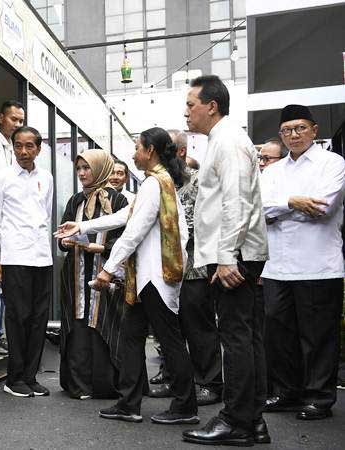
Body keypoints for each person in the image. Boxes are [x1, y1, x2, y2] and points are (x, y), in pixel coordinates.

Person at [56, 127, 197, 425]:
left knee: (169, 341)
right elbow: (125, 217)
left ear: (151, 152)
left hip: (155, 278)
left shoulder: (154, 183)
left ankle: (185, 406)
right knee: (131, 339)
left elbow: (133, 232)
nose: (133, 154)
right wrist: (80, 227)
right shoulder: (156, 182)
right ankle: (129, 403)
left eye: (137, 148)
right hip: (147, 278)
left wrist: (107, 270)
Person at [180, 75, 270, 447]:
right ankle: (253, 421)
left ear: (211, 106)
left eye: (191, 105)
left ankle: (236, 421)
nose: (186, 112)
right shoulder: (223, 140)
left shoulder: (229, 141)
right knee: (245, 340)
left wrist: (227, 257)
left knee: (236, 340)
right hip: (235, 253)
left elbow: (236, 203)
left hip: (235, 256)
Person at [261, 104, 345, 420]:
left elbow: (321, 207)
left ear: (314, 130)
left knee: (318, 337)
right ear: (281, 135)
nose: (293, 135)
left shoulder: (332, 163)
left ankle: (319, 398)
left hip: (318, 264)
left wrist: (279, 209)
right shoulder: (273, 171)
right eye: (287, 130)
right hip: (277, 265)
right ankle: (287, 392)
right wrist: (294, 202)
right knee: (279, 336)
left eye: (300, 128)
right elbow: (259, 212)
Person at [0, 126, 53, 398]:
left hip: (42, 258)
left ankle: (30, 376)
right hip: (14, 258)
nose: (23, 152)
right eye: (18, 146)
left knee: (39, 320)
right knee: (17, 318)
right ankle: (13, 378)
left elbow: (45, 217)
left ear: (38, 148)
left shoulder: (46, 178)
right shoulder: (1, 178)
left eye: (29, 146)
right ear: (12, 148)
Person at [58, 149, 128, 400]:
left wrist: (102, 248)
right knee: (77, 326)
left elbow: (127, 238)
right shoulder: (75, 200)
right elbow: (63, 232)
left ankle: (105, 385)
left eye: (87, 168)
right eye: (79, 169)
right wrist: (65, 242)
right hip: (75, 272)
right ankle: (79, 385)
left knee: (104, 322)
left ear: (100, 169)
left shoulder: (118, 201)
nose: (82, 173)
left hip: (105, 271)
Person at [168, 129, 223, 406]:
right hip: (169, 270)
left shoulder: (199, 182)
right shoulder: (162, 184)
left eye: (165, 152)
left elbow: (209, 223)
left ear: (180, 152)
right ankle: (180, 381)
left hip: (197, 268)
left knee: (199, 329)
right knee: (173, 329)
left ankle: (210, 384)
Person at [0, 100, 25, 356]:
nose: (18, 124)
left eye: (21, 121)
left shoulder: (16, 149)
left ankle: (0, 335)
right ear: (1, 118)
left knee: (5, 287)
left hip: (12, 226)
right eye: (14, 119)